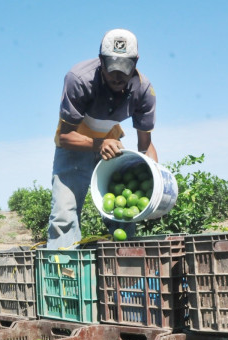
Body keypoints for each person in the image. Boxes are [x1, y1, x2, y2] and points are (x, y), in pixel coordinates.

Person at [46, 29, 158, 250]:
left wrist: (155, 183)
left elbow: (146, 145)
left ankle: (123, 271)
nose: (118, 76)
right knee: (64, 214)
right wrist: (98, 145)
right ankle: (64, 277)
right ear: (101, 61)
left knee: (123, 214)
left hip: (111, 144)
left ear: (136, 62)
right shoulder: (79, 79)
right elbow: (64, 136)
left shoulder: (144, 90)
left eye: (125, 69)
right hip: (75, 142)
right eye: (111, 69)